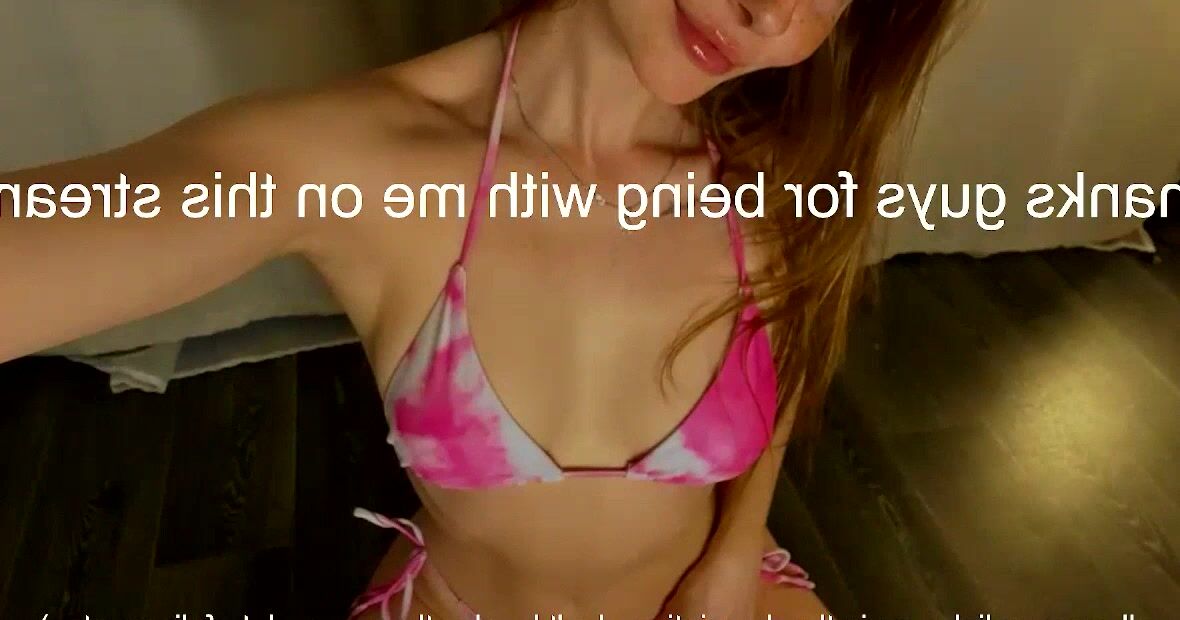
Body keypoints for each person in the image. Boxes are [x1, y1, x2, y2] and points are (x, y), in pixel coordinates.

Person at [0, 0, 960, 617]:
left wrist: (738, 545)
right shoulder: (362, 161)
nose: (772, 11)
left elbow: (791, 347)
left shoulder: (776, 164)